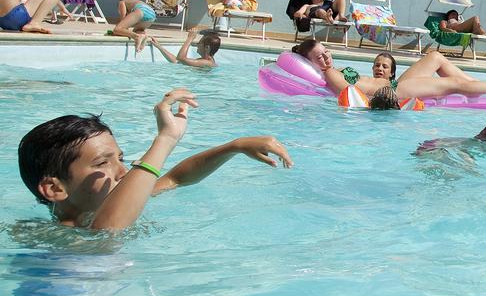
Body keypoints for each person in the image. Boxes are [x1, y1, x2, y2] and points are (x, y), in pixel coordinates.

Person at [17, 88, 292, 231]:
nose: (123, 172)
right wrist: (165, 139)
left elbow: (175, 178)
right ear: (55, 188)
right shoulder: (57, 241)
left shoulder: (113, 198)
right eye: (103, 163)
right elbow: (109, 229)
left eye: (120, 159)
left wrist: (234, 146)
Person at [291, 39, 486, 102]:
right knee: (452, 85)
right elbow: (354, 97)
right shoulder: (330, 74)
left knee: (435, 57)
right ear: (311, 61)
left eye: (326, 51)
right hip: (393, 91)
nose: (326, 56)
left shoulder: (334, 68)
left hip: (394, 84)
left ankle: (482, 87)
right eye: (319, 56)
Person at [148, 26, 221, 69]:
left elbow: (181, 58)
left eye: (199, 43)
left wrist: (190, 38)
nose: (197, 45)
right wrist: (159, 47)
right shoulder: (202, 61)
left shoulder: (207, 63)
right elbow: (178, 61)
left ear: (207, 48)